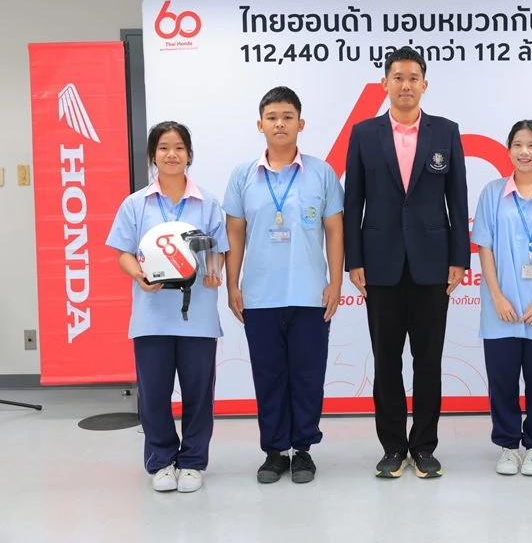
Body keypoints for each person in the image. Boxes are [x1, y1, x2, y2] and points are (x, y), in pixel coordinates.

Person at [343, 46, 470, 479]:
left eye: (413, 77)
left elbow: (457, 197)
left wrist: (459, 257)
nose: (406, 85)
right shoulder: (364, 133)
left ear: (424, 84)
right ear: (385, 83)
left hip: (433, 265)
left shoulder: (445, 132)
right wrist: (354, 259)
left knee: (429, 361)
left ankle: (425, 446)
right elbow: (353, 200)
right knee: (386, 361)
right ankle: (393, 447)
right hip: (380, 265)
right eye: (398, 77)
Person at [223, 86, 344, 484]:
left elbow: (334, 230)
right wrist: (232, 284)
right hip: (260, 297)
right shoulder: (243, 176)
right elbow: (235, 233)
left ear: (300, 124)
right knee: (269, 376)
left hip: (310, 295)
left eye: (287, 117)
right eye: (272, 117)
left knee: (307, 376)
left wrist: (335, 281)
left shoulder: (321, 173)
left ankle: (303, 450)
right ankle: (275, 452)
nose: (280, 124)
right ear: (260, 125)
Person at [106, 121, 228, 493]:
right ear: (152, 155)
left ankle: (192, 462)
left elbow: (218, 250)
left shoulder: (208, 203)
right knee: (154, 394)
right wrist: (139, 275)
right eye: (163, 147)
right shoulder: (135, 203)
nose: (171, 154)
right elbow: (123, 252)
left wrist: (214, 272)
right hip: (152, 315)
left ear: (189, 155)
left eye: (178, 147)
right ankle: (161, 461)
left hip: (198, 317)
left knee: (198, 394)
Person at [471, 120, 532, 477]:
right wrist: (497, 296)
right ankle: (508, 445)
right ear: (509, 149)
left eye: (531, 145)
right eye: (517, 144)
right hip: (502, 310)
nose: (524, 151)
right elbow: (484, 247)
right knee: (502, 383)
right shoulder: (492, 193)